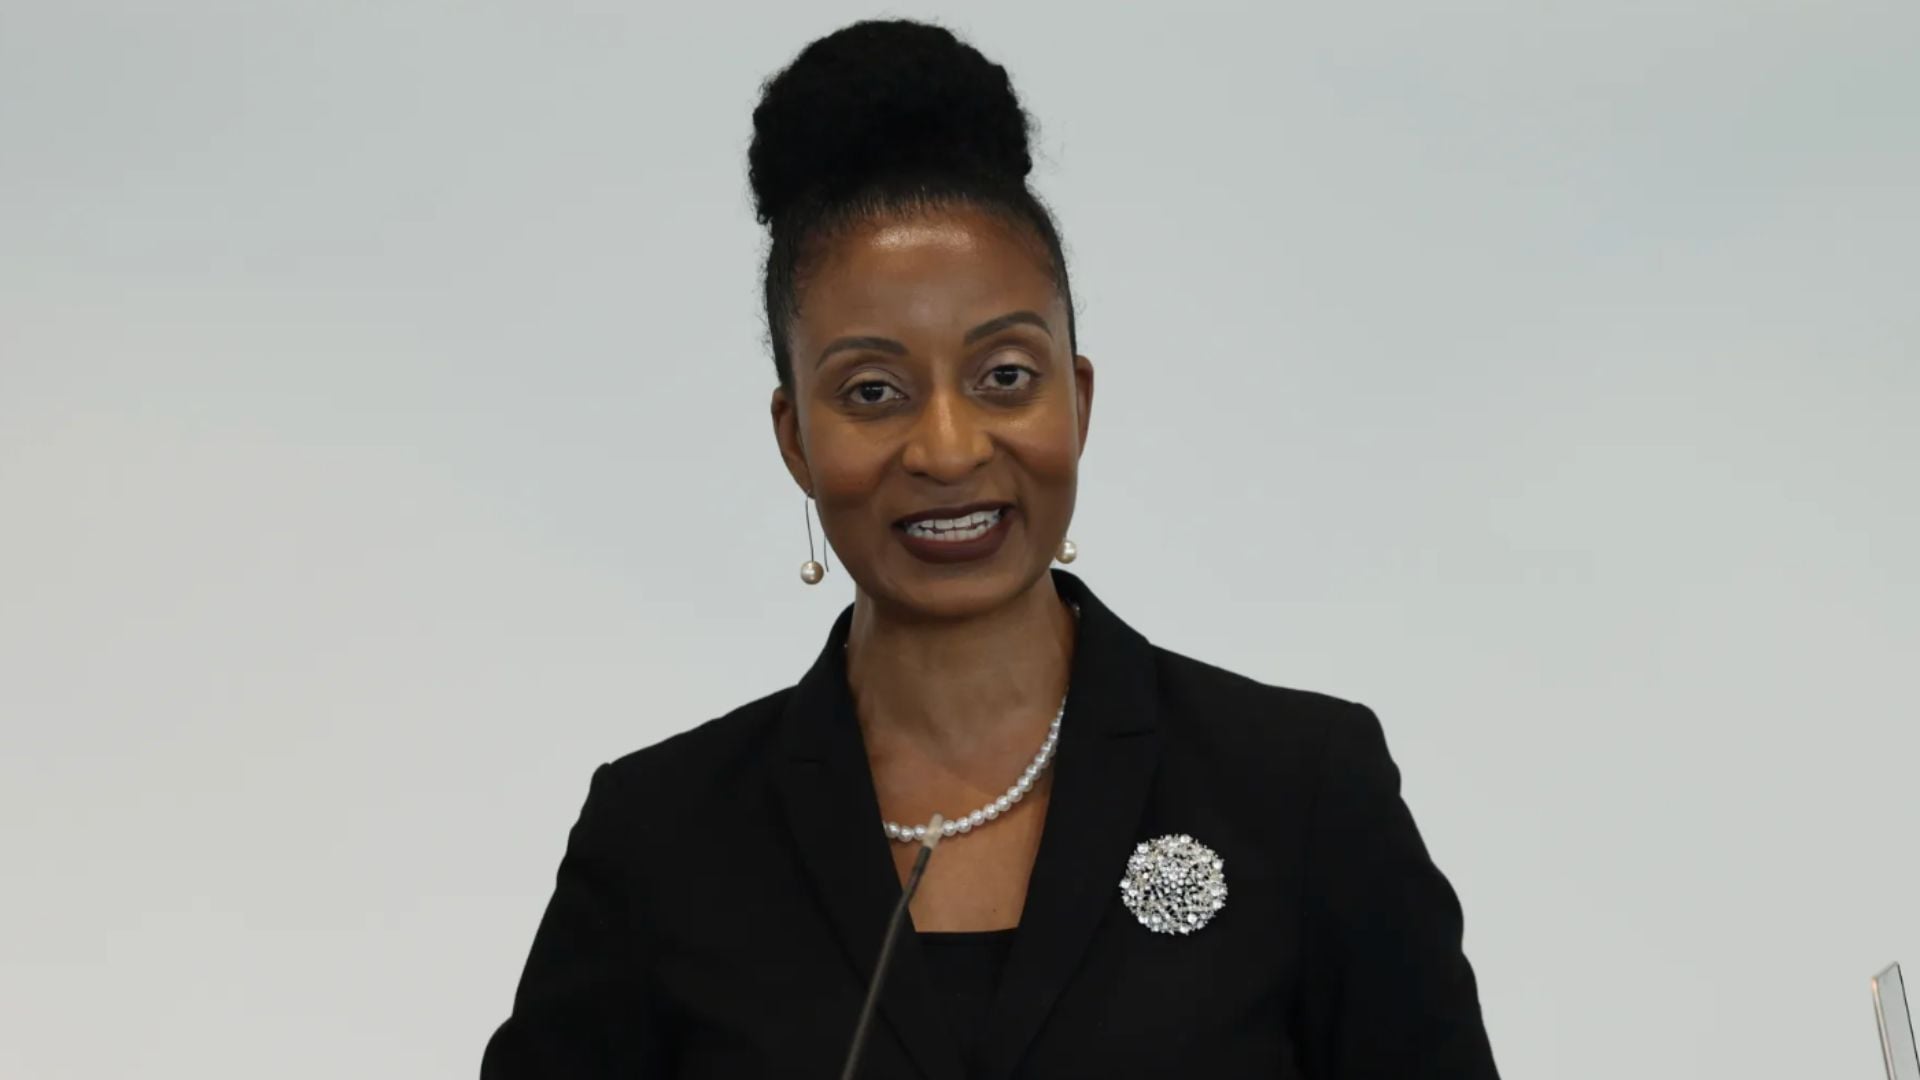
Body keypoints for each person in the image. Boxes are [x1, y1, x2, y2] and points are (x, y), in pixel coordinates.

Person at [481, 18, 1499, 1079]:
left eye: (1005, 377)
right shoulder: (660, 841)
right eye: (872, 391)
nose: (949, 448)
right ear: (794, 438)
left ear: (1078, 399)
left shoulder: (1301, 792)